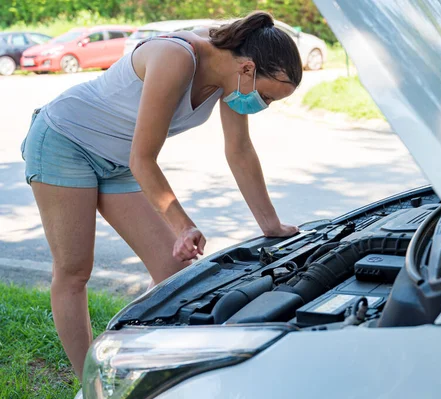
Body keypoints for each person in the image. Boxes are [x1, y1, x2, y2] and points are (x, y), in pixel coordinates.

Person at [20, 11, 302, 379]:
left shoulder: (229, 77)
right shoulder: (177, 58)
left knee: (174, 272)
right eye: (267, 96)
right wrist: (184, 226)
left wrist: (271, 224)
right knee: (74, 271)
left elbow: (239, 150)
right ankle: (93, 383)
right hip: (65, 141)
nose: (263, 106)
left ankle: (148, 367)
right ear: (247, 69)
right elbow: (143, 158)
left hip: (117, 159)